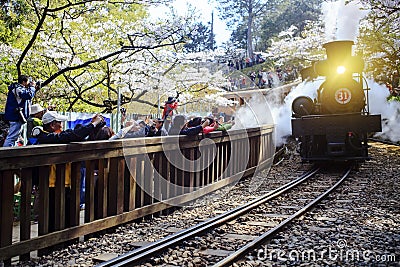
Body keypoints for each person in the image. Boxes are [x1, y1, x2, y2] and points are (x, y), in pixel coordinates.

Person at [3, 75, 39, 147]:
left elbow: (27, 97)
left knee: (16, 138)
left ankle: (11, 154)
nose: (29, 84)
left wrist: (34, 88)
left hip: (18, 117)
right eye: (28, 82)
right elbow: (28, 95)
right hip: (16, 116)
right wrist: (32, 87)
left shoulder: (18, 88)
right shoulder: (17, 88)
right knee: (12, 137)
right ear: (23, 82)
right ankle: (5, 154)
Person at [33, 111, 104, 144]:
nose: (62, 125)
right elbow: (74, 135)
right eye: (60, 122)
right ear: (52, 125)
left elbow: (73, 132)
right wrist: (94, 123)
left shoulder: (46, 136)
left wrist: (92, 123)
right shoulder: (48, 138)